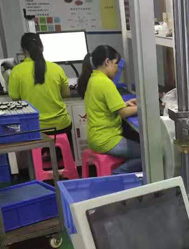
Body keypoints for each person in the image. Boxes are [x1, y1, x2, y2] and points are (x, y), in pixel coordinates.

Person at [78, 45, 141, 174]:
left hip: (96, 138)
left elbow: (105, 106)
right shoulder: (106, 83)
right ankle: (117, 174)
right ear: (107, 62)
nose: (117, 68)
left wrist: (124, 103)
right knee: (148, 154)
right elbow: (123, 113)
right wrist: (143, 106)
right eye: (116, 63)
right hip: (107, 140)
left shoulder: (94, 79)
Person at [8, 33, 73, 149]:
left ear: (23, 50)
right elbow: (66, 94)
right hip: (61, 126)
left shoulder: (16, 72)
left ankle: (37, 161)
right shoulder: (56, 68)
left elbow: (15, 98)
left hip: (34, 128)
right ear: (41, 47)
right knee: (65, 151)